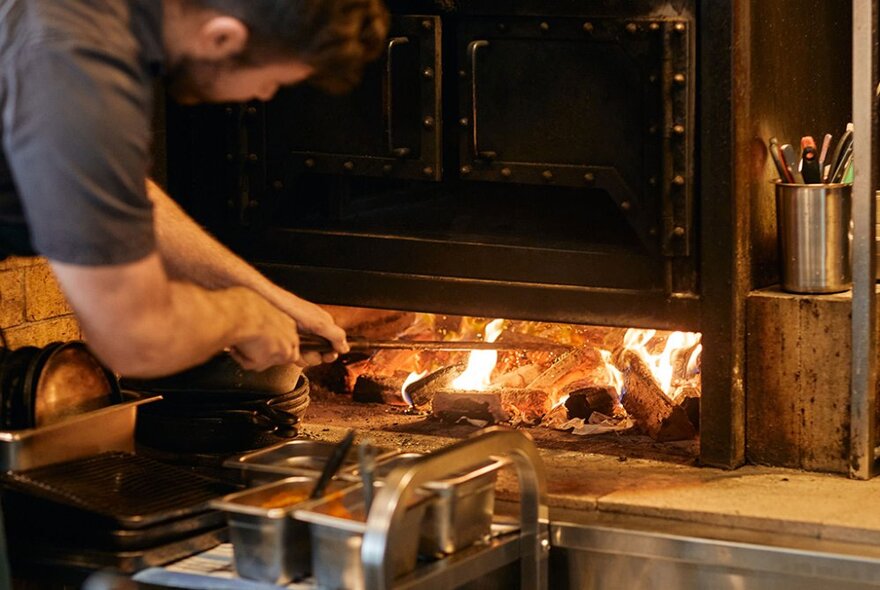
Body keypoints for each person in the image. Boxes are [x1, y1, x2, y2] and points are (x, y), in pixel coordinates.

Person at [0, 0, 389, 376]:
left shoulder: (97, 19)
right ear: (221, 38)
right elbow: (135, 337)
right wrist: (244, 315)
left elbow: (123, 192)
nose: (265, 95)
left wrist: (269, 298)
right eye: (273, 81)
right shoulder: (80, 69)